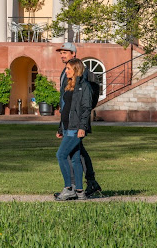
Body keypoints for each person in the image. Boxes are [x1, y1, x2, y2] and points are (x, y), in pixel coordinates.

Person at [55, 42, 102, 198]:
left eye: (65, 52)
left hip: (76, 122)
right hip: (68, 121)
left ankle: (75, 186)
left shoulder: (84, 74)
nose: (62, 55)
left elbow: (88, 100)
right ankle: (81, 188)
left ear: (73, 54)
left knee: (67, 154)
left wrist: (82, 121)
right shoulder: (65, 73)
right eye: (61, 53)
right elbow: (66, 98)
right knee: (76, 154)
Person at [54, 58, 93, 200]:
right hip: (66, 127)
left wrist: (82, 127)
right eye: (66, 68)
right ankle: (80, 191)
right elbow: (65, 108)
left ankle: (68, 188)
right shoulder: (68, 85)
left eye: (69, 69)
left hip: (76, 128)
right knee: (75, 158)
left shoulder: (85, 86)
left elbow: (86, 108)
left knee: (61, 155)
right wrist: (60, 128)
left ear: (76, 70)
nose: (66, 71)